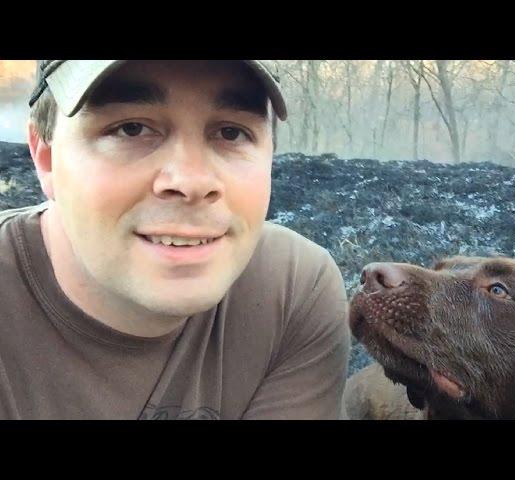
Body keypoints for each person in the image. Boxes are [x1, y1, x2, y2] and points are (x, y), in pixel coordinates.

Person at [0, 60, 350, 419]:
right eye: (131, 129)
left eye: (232, 133)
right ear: (46, 158)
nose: (191, 181)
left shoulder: (291, 291)